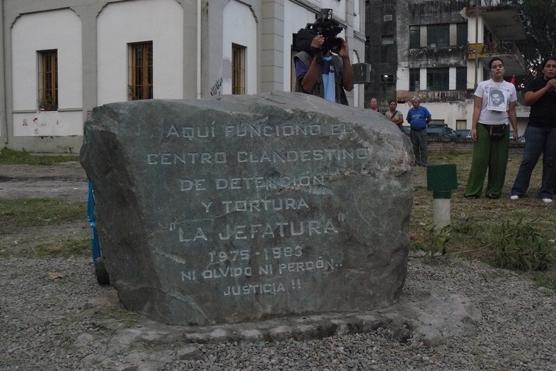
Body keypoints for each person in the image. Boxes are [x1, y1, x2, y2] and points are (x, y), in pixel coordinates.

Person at [464, 57, 518, 199]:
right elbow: (477, 107)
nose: (498, 68)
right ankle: (473, 191)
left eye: (500, 66)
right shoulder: (483, 85)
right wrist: (473, 127)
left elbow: (511, 110)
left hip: (502, 126)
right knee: (480, 160)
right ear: (491, 70)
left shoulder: (510, 87)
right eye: (494, 66)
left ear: (504, 68)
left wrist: (515, 129)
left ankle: (494, 191)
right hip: (483, 125)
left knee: (499, 161)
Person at [510, 57, 556, 203]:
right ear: (543, 69)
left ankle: (547, 192)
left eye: (554, 66)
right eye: (548, 66)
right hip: (536, 127)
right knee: (528, 160)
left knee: (551, 161)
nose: (551, 68)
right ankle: (518, 190)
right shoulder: (535, 82)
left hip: (554, 129)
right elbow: (528, 100)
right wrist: (547, 88)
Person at [294, 34, 353, 105]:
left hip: (336, 112)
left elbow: (349, 86)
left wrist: (346, 58)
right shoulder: (303, 57)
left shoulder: (337, 60)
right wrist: (317, 53)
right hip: (314, 111)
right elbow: (307, 87)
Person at [406, 97, 431, 166]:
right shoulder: (410, 111)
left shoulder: (424, 109)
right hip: (413, 131)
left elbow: (429, 117)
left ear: (419, 103)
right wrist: (414, 123)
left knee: (423, 147)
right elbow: (408, 120)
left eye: (416, 102)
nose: (415, 104)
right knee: (415, 147)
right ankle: (417, 161)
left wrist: (424, 123)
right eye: (413, 102)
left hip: (422, 131)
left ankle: (424, 162)